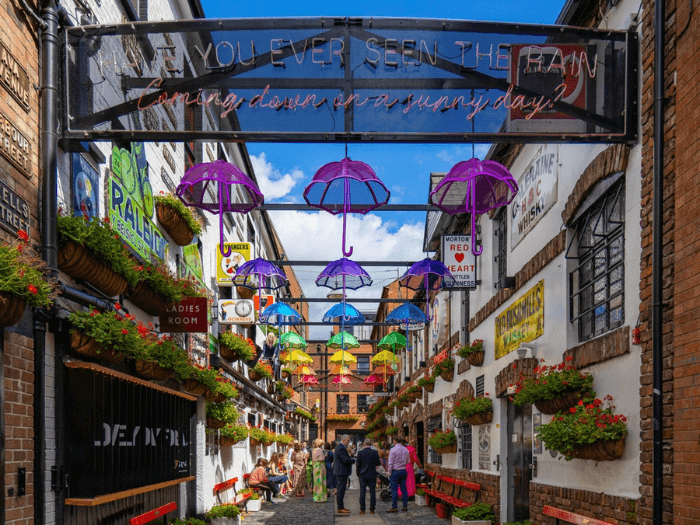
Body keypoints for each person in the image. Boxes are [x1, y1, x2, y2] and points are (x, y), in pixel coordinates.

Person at [356, 438, 381, 515]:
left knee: (362, 492)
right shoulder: (374, 452)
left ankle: (362, 509)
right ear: (370, 444)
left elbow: (358, 465)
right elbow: (378, 463)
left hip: (362, 475)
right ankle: (372, 509)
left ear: (364, 444)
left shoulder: (360, 453)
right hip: (372, 474)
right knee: (372, 492)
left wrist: (358, 474)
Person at [333, 434, 356, 514]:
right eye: (348, 441)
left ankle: (341, 506)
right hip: (341, 471)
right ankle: (340, 507)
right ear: (343, 440)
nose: (348, 443)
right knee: (340, 490)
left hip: (341, 471)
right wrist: (353, 460)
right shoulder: (341, 448)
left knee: (341, 490)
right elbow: (345, 460)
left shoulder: (341, 447)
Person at [387, 436, 410, 512]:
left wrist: (389, 471)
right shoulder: (406, 450)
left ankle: (394, 507)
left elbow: (390, 463)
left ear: (394, 441)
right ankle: (405, 506)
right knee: (404, 489)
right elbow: (407, 461)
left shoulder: (393, 450)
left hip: (395, 471)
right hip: (403, 470)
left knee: (394, 490)